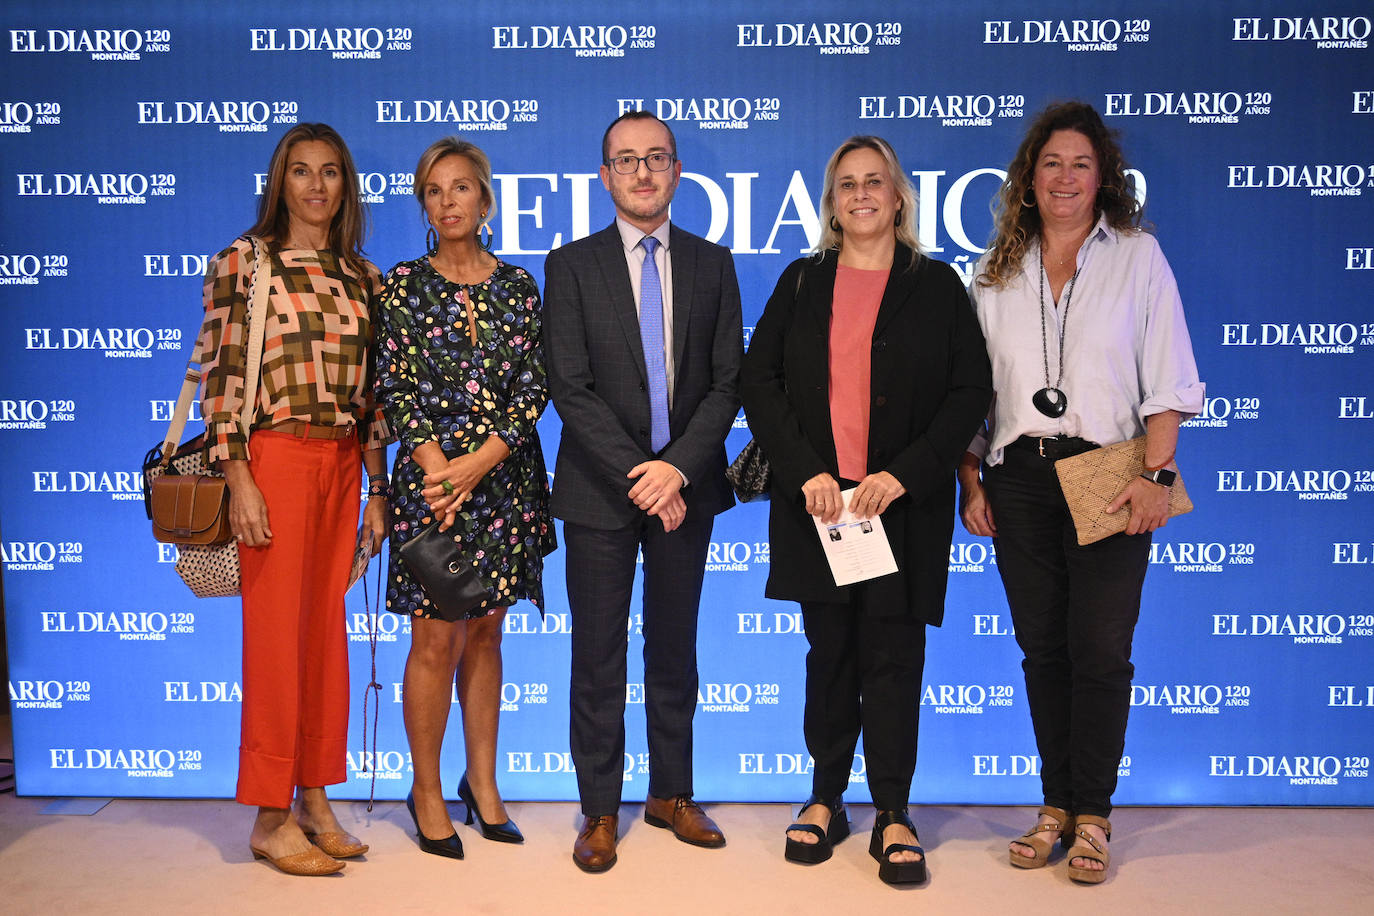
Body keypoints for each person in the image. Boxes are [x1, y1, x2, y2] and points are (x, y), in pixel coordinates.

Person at [957, 101, 1204, 884]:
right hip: (1018, 476)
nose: (1065, 177)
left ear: (1105, 179)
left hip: (1110, 471)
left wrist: (1158, 475)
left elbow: (1168, 377)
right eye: (1052, 163)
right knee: (1044, 651)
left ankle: (1092, 815)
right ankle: (1055, 806)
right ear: (1029, 179)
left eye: (1081, 164)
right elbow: (975, 389)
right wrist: (971, 475)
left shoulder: (1137, 257)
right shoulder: (994, 270)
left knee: (1100, 651)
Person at [740, 135, 992, 886]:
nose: (861, 194)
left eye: (874, 181)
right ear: (832, 201)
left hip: (901, 511)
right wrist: (804, 470)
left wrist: (908, 474)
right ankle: (824, 798)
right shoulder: (800, 281)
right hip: (820, 508)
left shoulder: (938, 285)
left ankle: (892, 811)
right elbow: (761, 382)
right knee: (830, 658)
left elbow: (967, 392)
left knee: (892, 660)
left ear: (898, 196)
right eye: (846, 184)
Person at [543, 111, 742, 873]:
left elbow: (728, 384)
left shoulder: (712, 263)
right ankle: (599, 809)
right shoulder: (571, 265)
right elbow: (571, 386)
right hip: (600, 491)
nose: (642, 172)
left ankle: (672, 793)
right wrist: (643, 474)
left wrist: (677, 470)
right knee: (597, 656)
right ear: (605, 176)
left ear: (678, 170)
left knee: (675, 650)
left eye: (656, 158)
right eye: (626, 160)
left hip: (685, 491)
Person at [199, 123, 391, 876]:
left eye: (331, 172)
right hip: (273, 456)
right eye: (302, 171)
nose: (316, 186)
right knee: (277, 641)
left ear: (346, 186)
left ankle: (314, 797)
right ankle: (269, 813)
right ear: (279, 181)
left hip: (343, 462)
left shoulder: (362, 275)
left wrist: (377, 488)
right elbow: (220, 376)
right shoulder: (245, 263)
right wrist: (238, 472)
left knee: (323, 640)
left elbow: (375, 398)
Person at [374, 138, 556, 859]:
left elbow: (534, 387)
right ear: (424, 204)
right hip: (430, 484)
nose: (448, 202)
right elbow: (397, 389)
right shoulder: (402, 285)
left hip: (503, 480)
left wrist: (478, 464)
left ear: (485, 199)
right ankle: (425, 791)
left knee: (487, 631)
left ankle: (482, 785)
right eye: (433, 190)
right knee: (434, 636)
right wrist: (440, 474)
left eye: (461, 188)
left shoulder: (518, 286)